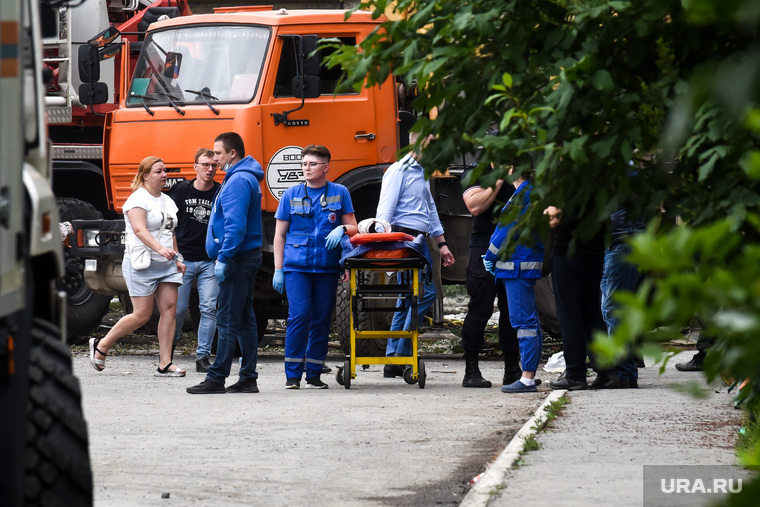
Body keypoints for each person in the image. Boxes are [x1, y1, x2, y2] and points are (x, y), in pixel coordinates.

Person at [89, 156, 187, 376]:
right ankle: (102, 345)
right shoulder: (136, 200)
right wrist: (160, 250)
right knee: (142, 315)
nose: (165, 175)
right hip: (141, 264)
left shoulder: (168, 201)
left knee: (170, 310)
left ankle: (165, 363)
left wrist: (177, 257)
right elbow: (140, 230)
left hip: (167, 264)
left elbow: (170, 233)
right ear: (145, 176)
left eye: (165, 171)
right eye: (159, 171)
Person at [273, 144, 358, 389]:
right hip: (296, 268)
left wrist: (342, 229)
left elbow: (354, 227)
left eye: (312, 164)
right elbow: (279, 235)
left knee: (321, 319)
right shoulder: (290, 194)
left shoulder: (340, 192)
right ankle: (292, 376)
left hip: (326, 268)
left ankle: (313, 375)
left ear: (326, 168)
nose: (306, 168)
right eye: (304, 164)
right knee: (299, 315)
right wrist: (279, 269)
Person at [186, 132, 264, 394]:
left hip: (238, 258)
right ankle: (248, 377)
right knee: (243, 319)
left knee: (227, 318)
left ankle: (216, 377)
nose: (215, 158)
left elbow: (235, 225)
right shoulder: (242, 177)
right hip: (244, 256)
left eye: (218, 153)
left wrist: (224, 257)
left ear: (232, 153)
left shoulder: (238, 180)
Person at [375, 132, 455, 377]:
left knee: (405, 299)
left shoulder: (419, 171)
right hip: (405, 240)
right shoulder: (399, 171)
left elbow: (429, 208)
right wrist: (383, 245)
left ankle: (392, 359)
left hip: (418, 240)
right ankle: (401, 352)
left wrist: (441, 243)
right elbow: (385, 210)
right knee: (426, 294)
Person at [483, 158, 544, 393]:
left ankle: (527, 378)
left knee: (523, 323)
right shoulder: (526, 191)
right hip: (518, 265)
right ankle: (528, 375)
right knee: (529, 322)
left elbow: (506, 230)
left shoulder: (523, 193)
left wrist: (489, 255)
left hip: (516, 266)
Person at [461, 155, 521, 388]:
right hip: (484, 248)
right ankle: (471, 371)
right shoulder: (476, 172)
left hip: (511, 248)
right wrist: (497, 179)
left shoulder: (517, 173)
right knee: (480, 309)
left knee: (511, 311)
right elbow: (475, 207)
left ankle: (513, 371)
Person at [544, 205, 608, 391]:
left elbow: (554, 218)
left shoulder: (563, 181)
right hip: (595, 249)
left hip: (567, 250)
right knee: (592, 314)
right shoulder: (596, 181)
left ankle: (575, 374)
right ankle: (607, 371)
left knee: (569, 315)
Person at [169, 148, 220, 373]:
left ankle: (202, 357)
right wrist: (175, 255)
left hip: (210, 261)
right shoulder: (181, 190)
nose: (210, 169)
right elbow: (169, 225)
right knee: (177, 310)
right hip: (183, 261)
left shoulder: (220, 191)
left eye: (214, 165)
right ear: (195, 167)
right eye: (205, 165)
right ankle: (169, 347)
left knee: (209, 309)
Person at [598, 206, 645, 388]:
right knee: (614, 310)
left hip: (622, 242)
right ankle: (627, 372)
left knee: (613, 310)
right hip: (618, 242)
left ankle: (622, 373)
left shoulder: (625, 178)